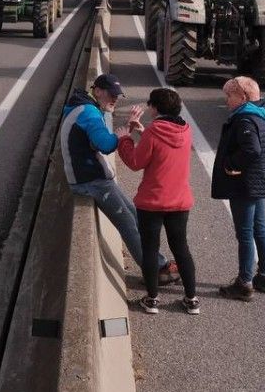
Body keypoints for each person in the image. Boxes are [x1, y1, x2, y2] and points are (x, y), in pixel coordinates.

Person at [61, 75, 178, 285]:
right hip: (90, 182)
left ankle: (157, 261)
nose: (114, 99)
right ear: (97, 91)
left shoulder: (84, 108)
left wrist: (124, 130)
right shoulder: (88, 112)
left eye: (117, 95)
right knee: (128, 224)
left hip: (92, 179)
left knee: (134, 214)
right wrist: (123, 135)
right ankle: (156, 270)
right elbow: (105, 143)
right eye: (111, 94)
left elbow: (98, 139)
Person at [116, 88, 199, 315]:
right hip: (180, 201)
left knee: (150, 250)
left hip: (152, 202)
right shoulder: (186, 130)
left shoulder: (154, 132)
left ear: (154, 108)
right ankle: (191, 300)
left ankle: (152, 300)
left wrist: (125, 138)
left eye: (150, 105)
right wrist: (143, 132)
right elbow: (164, 150)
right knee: (181, 248)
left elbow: (135, 162)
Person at [212, 76, 265, 301]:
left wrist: (231, 164)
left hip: (245, 184)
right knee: (260, 227)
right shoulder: (264, 112)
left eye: (229, 96)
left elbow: (252, 150)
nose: (226, 101)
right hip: (259, 181)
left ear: (243, 97)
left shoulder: (244, 120)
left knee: (245, 233)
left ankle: (244, 282)